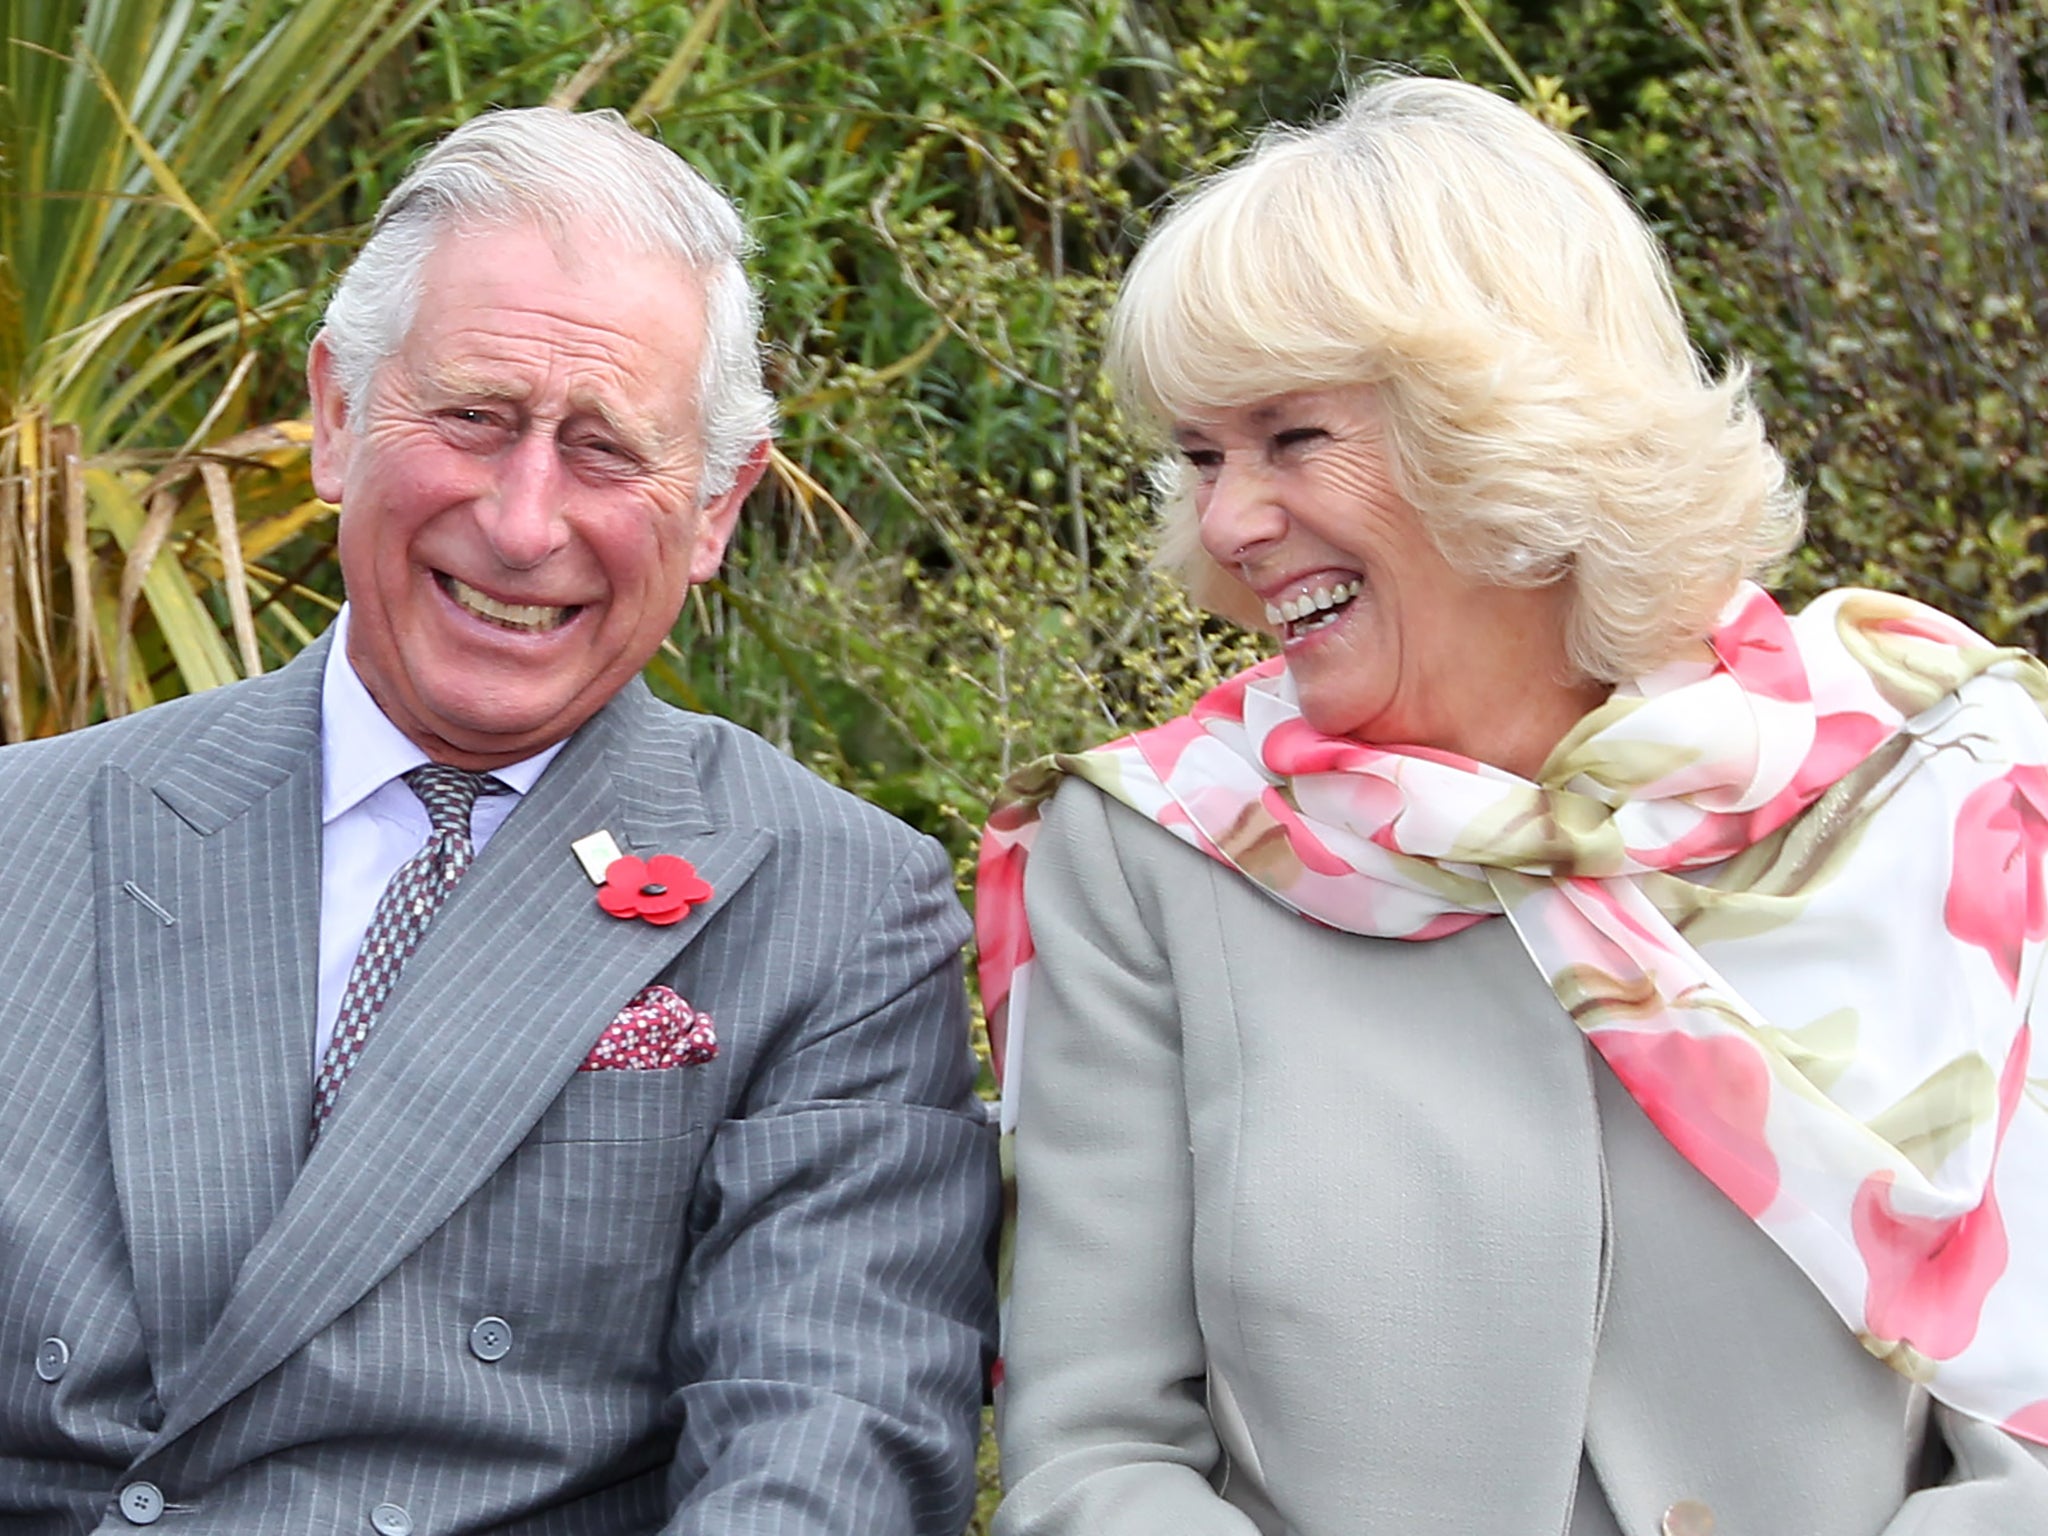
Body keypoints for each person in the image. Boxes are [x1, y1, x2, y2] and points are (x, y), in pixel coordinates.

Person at [977, 74, 2048, 1535]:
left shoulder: (1945, 779)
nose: (1227, 525)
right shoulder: (1150, 855)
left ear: (1509, 428)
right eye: (1200, 457)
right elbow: (1096, 1456)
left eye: (1293, 438)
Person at [0, 107, 998, 1533]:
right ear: (338, 415)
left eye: (606, 451)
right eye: (473, 418)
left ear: (719, 506)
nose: (526, 523)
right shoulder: (25, 840)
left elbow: (826, 1445)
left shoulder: (833, 906)